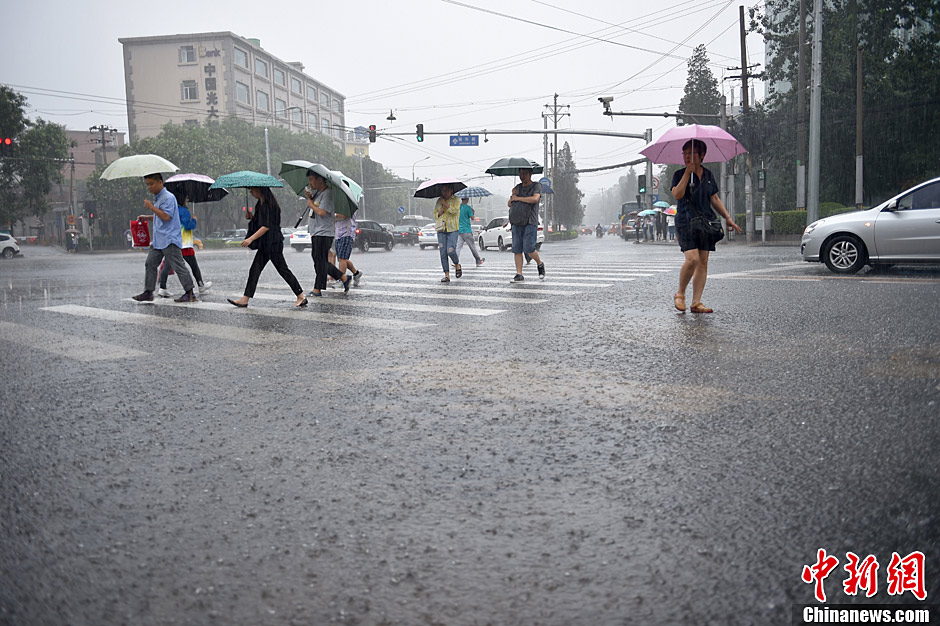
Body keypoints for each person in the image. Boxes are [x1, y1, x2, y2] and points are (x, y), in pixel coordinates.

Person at [671, 139, 742, 313]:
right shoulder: (679, 174)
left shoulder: (708, 175)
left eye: (692, 153)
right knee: (692, 258)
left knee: (703, 261)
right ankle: (680, 293)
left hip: (705, 222)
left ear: (702, 155)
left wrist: (727, 218)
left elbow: (714, 198)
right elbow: (677, 195)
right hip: (685, 221)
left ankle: (696, 302)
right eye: (685, 153)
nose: (687, 157)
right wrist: (688, 173)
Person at [227, 187, 307, 308]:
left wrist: (250, 239)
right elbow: (261, 223)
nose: (251, 192)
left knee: (283, 270)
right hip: (266, 244)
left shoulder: (269, 205)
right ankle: (245, 299)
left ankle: (301, 296)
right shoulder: (260, 204)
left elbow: (266, 226)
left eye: (252, 189)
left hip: (273, 243)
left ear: (260, 190)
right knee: (255, 270)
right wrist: (253, 217)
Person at [132, 173, 197, 303]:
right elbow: (160, 216)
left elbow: (167, 216)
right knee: (150, 263)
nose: (149, 187)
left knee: (178, 266)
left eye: (151, 184)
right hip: (159, 240)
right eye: (147, 184)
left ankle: (190, 293)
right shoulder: (159, 198)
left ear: (160, 182)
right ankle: (148, 292)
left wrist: (151, 207)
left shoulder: (168, 197)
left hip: (169, 239)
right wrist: (148, 217)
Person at [157, 190, 211, 296]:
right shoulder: (183, 211)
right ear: (181, 199)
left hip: (173, 243)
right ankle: (201, 286)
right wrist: (194, 220)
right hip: (185, 244)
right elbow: (189, 226)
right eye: (186, 198)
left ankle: (162, 287)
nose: (187, 200)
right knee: (194, 266)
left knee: (167, 266)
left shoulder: (170, 210)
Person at [305, 170, 349, 296]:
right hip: (317, 231)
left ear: (320, 180)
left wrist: (311, 205)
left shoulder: (328, 193)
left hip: (324, 232)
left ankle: (319, 288)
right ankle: (341, 279)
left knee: (320, 261)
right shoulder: (318, 193)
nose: (310, 183)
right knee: (318, 260)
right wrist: (310, 198)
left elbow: (322, 212)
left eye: (311, 180)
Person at [507, 168, 545, 282]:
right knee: (517, 248)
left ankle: (540, 263)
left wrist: (518, 198)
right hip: (516, 221)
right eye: (520, 174)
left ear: (530, 174)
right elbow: (510, 204)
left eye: (524, 174)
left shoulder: (536, 186)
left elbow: (535, 199)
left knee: (529, 248)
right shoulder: (517, 188)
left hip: (530, 221)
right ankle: (519, 274)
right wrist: (512, 196)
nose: (522, 176)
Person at [434, 184, 461, 283]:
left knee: (450, 251)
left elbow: (454, 211)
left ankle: (457, 264)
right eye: (443, 191)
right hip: (441, 230)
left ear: (451, 190)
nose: (444, 193)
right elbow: (435, 214)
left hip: (453, 229)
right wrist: (439, 212)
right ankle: (447, 275)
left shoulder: (457, 200)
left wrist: (444, 203)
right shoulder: (439, 201)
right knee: (443, 253)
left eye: (446, 191)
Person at [334, 211, 363, 287]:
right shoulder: (338, 206)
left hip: (347, 234)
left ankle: (342, 279)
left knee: (342, 258)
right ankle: (356, 273)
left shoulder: (349, 205)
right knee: (342, 259)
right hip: (338, 234)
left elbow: (344, 215)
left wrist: (332, 216)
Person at [455, 196, 484, 266]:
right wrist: (472, 212)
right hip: (467, 230)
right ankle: (478, 260)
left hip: (459, 230)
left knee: (458, 246)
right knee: (472, 246)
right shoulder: (468, 208)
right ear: (467, 199)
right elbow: (472, 218)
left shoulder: (457, 208)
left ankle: (455, 261)